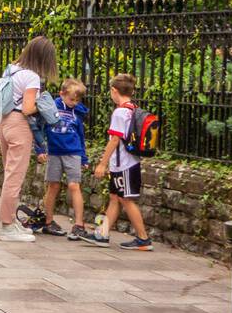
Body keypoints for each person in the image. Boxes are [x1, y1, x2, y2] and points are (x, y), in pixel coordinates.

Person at [0, 36, 58, 243]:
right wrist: (44, 102)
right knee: (14, 178)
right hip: (19, 125)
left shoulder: (12, 69)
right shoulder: (31, 77)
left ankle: (11, 221)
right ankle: (7, 226)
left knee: (9, 174)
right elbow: (28, 108)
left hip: (4, 122)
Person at [85, 74, 154, 250]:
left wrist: (102, 163)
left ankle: (143, 239)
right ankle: (103, 234)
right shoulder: (132, 109)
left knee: (126, 200)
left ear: (114, 91)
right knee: (115, 198)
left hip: (124, 164)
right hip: (127, 163)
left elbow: (114, 140)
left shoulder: (119, 112)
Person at [39, 79, 90, 239]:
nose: (74, 103)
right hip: (54, 152)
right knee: (53, 186)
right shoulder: (51, 107)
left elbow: (81, 135)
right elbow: (40, 128)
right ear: (62, 94)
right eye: (71, 99)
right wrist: (40, 149)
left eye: (77, 100)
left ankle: (79, 224)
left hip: (73, 152)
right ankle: (48, 221)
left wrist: (83, 157)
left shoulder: (77, 112)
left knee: (74, 185)